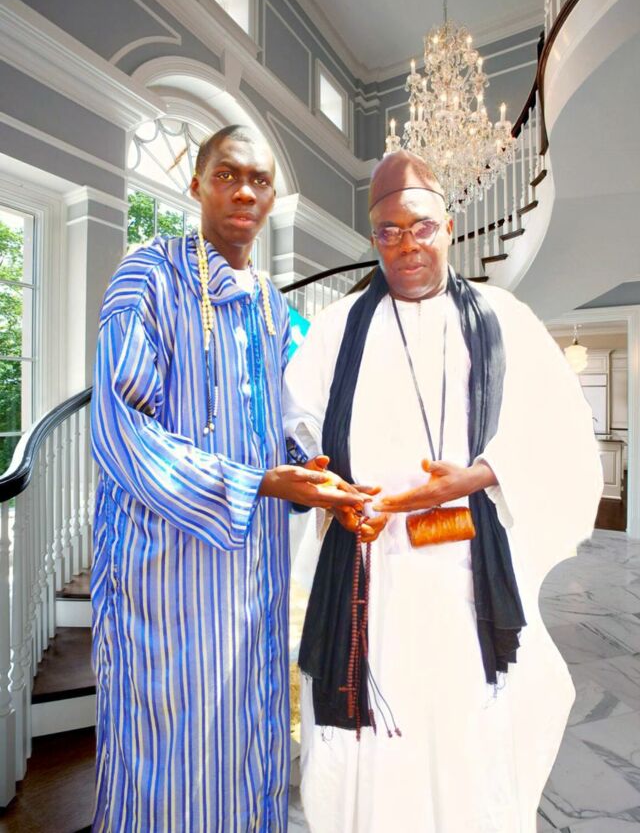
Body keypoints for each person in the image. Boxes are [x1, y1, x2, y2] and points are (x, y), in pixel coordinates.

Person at [283, 149, 603, 833]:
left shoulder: (502, 316)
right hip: (369, 575)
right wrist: (334, 493)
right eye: (389, 231)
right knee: (371, 746)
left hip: (464, 569)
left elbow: (560, 425)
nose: (407, 245)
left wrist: (478, 475)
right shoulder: (337, 327)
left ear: (450, 227)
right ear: (374, 237)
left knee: (464, 737)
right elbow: (296, 427)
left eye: (421, 226)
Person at [90, 124, 365, 832]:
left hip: (254, 582)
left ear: (272, 198)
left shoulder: (274, 307)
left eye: (260, 180)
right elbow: (119, 430)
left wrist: (317, 474)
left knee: (248, 753)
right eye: (227, 175)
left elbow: (291, 423)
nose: (245, 191)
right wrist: (259, 485)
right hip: (166, 586)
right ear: (197, 184)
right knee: (165, 767)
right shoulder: (149, 275)